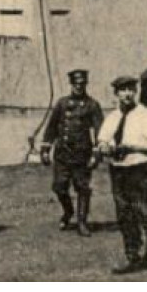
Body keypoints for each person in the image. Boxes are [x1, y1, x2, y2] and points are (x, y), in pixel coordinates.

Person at [99, 75, 147, 274]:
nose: (127, 94)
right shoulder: (112, 118)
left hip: (141, 169)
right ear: (116, 94)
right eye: (123, 90)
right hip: (119, 170)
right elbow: (103, 139)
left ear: (136, 92)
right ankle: (132, 255)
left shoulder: (146, 115)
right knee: (125, 214)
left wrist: (130, 147)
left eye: (131, 90)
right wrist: (105, 147)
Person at [41, 68, 104, 235]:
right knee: (59, 187)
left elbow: (100, 132)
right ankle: (68, 212)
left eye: (82, 84)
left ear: (86, 84)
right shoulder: (62, 104)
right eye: (76, 84)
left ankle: (82, 222)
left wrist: (96, 155)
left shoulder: (92, 105)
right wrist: (45, 149)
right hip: (62, 154)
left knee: (82, 188)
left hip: (82, 154)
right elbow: (51, 127)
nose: (79, 87)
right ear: (71, 84)